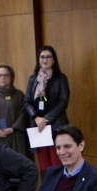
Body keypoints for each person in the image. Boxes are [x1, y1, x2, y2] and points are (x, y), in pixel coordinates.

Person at [24, 46, 70, 174]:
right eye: (42, 56)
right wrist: (36, 118)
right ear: (38, 60)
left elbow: (63, 102)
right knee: (43, 163)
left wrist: (46, 119)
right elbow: (27, 101)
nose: (45, 59)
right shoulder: (33, 79)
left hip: (55, 125)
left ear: (53, 60)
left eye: (48, 56)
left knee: (57, 160)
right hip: (38, 127)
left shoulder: (61, 78)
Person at [0, 64, 32, 161]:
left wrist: (12, 129)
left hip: (15, 137)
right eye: (0, 75)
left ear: (11, 77)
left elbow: (23, 114)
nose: (3, 77)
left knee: (17, 165)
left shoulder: (19, 95)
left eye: (6, 75)